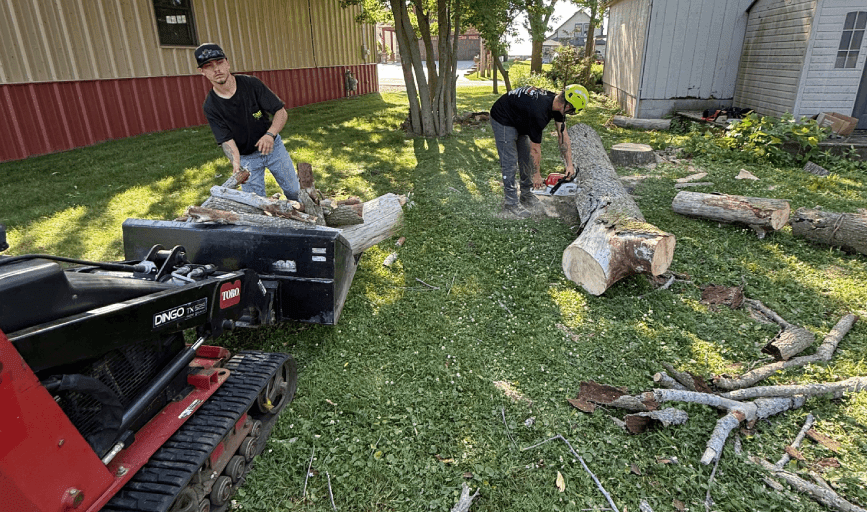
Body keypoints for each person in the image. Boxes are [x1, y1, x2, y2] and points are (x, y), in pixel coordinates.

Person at [195, 43, 300, 201]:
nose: (216, 69)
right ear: (202, 72)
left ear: (228, 63)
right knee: (255, 203)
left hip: (273, 147)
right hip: (247, 157)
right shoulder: (211, 106)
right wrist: (236, 162)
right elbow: (226, 139)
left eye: (219, 62)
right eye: (209, 66)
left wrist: (270, 135)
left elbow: (281, 112)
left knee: (294, 192)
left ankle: (309, 220)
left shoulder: (251, 84)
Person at [489, 84, 588, 219]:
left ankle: (526, 195)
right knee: (510, 161)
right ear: (568, 106)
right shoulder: (539, 111)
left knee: (525, 159)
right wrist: (536, 175)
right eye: (572, 110)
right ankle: (510, 203)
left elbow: (563, 135)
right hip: (503, 117)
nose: (570, 113)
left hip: (520, 117)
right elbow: (535, 149)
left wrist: (569, 164)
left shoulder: (556, 104)